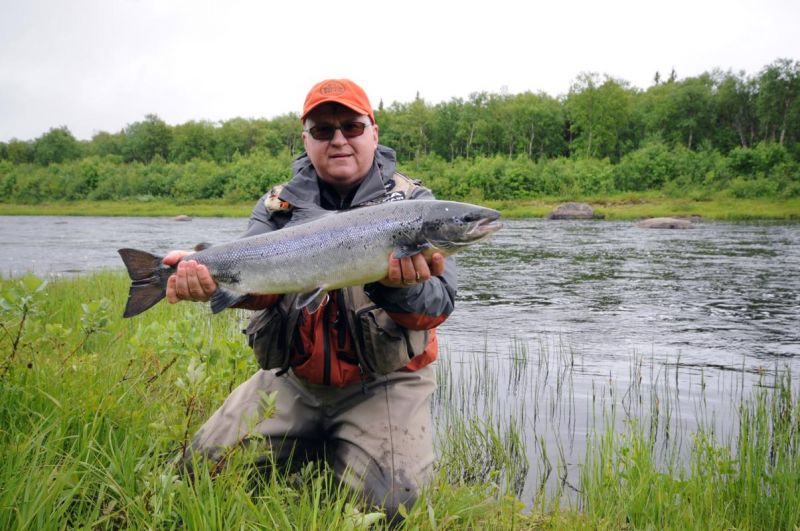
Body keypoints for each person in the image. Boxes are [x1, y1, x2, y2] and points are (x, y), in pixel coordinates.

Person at [163, 79, 457, 521]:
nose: (338, 139)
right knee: (194, 475)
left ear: (373, 132)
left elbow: (438, 305)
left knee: (391, 508)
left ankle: (336, 449)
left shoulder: (415, 204)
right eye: (323, 130)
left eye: (351, 127)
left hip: (385, 383)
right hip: (293, 379)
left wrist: (398, 286)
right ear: (306, 140)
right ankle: (315, 446)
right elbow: (257, 283)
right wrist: (205, 276)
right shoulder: (278, 206)